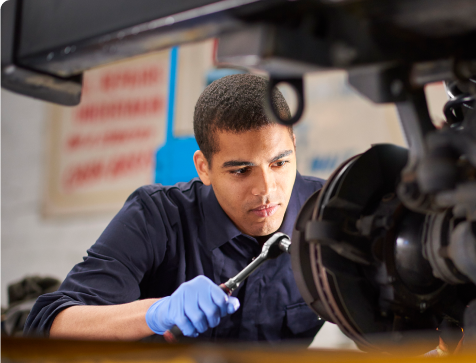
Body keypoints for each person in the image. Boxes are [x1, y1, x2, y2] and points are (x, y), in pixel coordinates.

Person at [24, 74, 325, 344]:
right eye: (241, 171)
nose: (266, 189)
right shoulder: (155, 217)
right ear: (203, 168)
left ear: (294, 146)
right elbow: (48, 326)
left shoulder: (330, 213)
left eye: (279, 163)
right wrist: (156, 313)